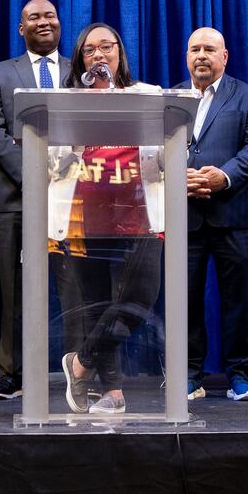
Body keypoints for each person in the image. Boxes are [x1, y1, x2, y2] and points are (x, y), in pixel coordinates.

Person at [55, 23, 165, 415]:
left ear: (120, 53)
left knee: (139, 297)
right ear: (80, 60)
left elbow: (168, 149)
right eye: (90, 50)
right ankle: (113, 391)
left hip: (140, 212)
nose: (99, 55)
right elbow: (53, 161)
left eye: (107, 47)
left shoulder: (148, 96)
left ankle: (80, 363)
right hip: (86, 212)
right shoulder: (65, 101)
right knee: (96, 304)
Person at [0, 0, 64, 400]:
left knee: (76, 288)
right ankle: (10, 373)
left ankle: (81, 370)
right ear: (21, 28)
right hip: (14, 197)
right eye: (34, 17)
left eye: (49, 16)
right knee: (14, 289)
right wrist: (35, 175)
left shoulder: (77, 71)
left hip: (74, 197)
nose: (43, 22)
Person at [179, 27, 248, 402]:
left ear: (225, 56)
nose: (201, 55)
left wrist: (224, 176)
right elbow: (154, 147)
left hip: (235, 214)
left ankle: (241, 376)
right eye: (195, 49)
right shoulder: (171, 98)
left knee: (239, 300)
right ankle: (188, 375)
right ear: (187, 56)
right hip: (185, 215)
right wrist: (179, 174)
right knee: (184, 299)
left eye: (209, 49)